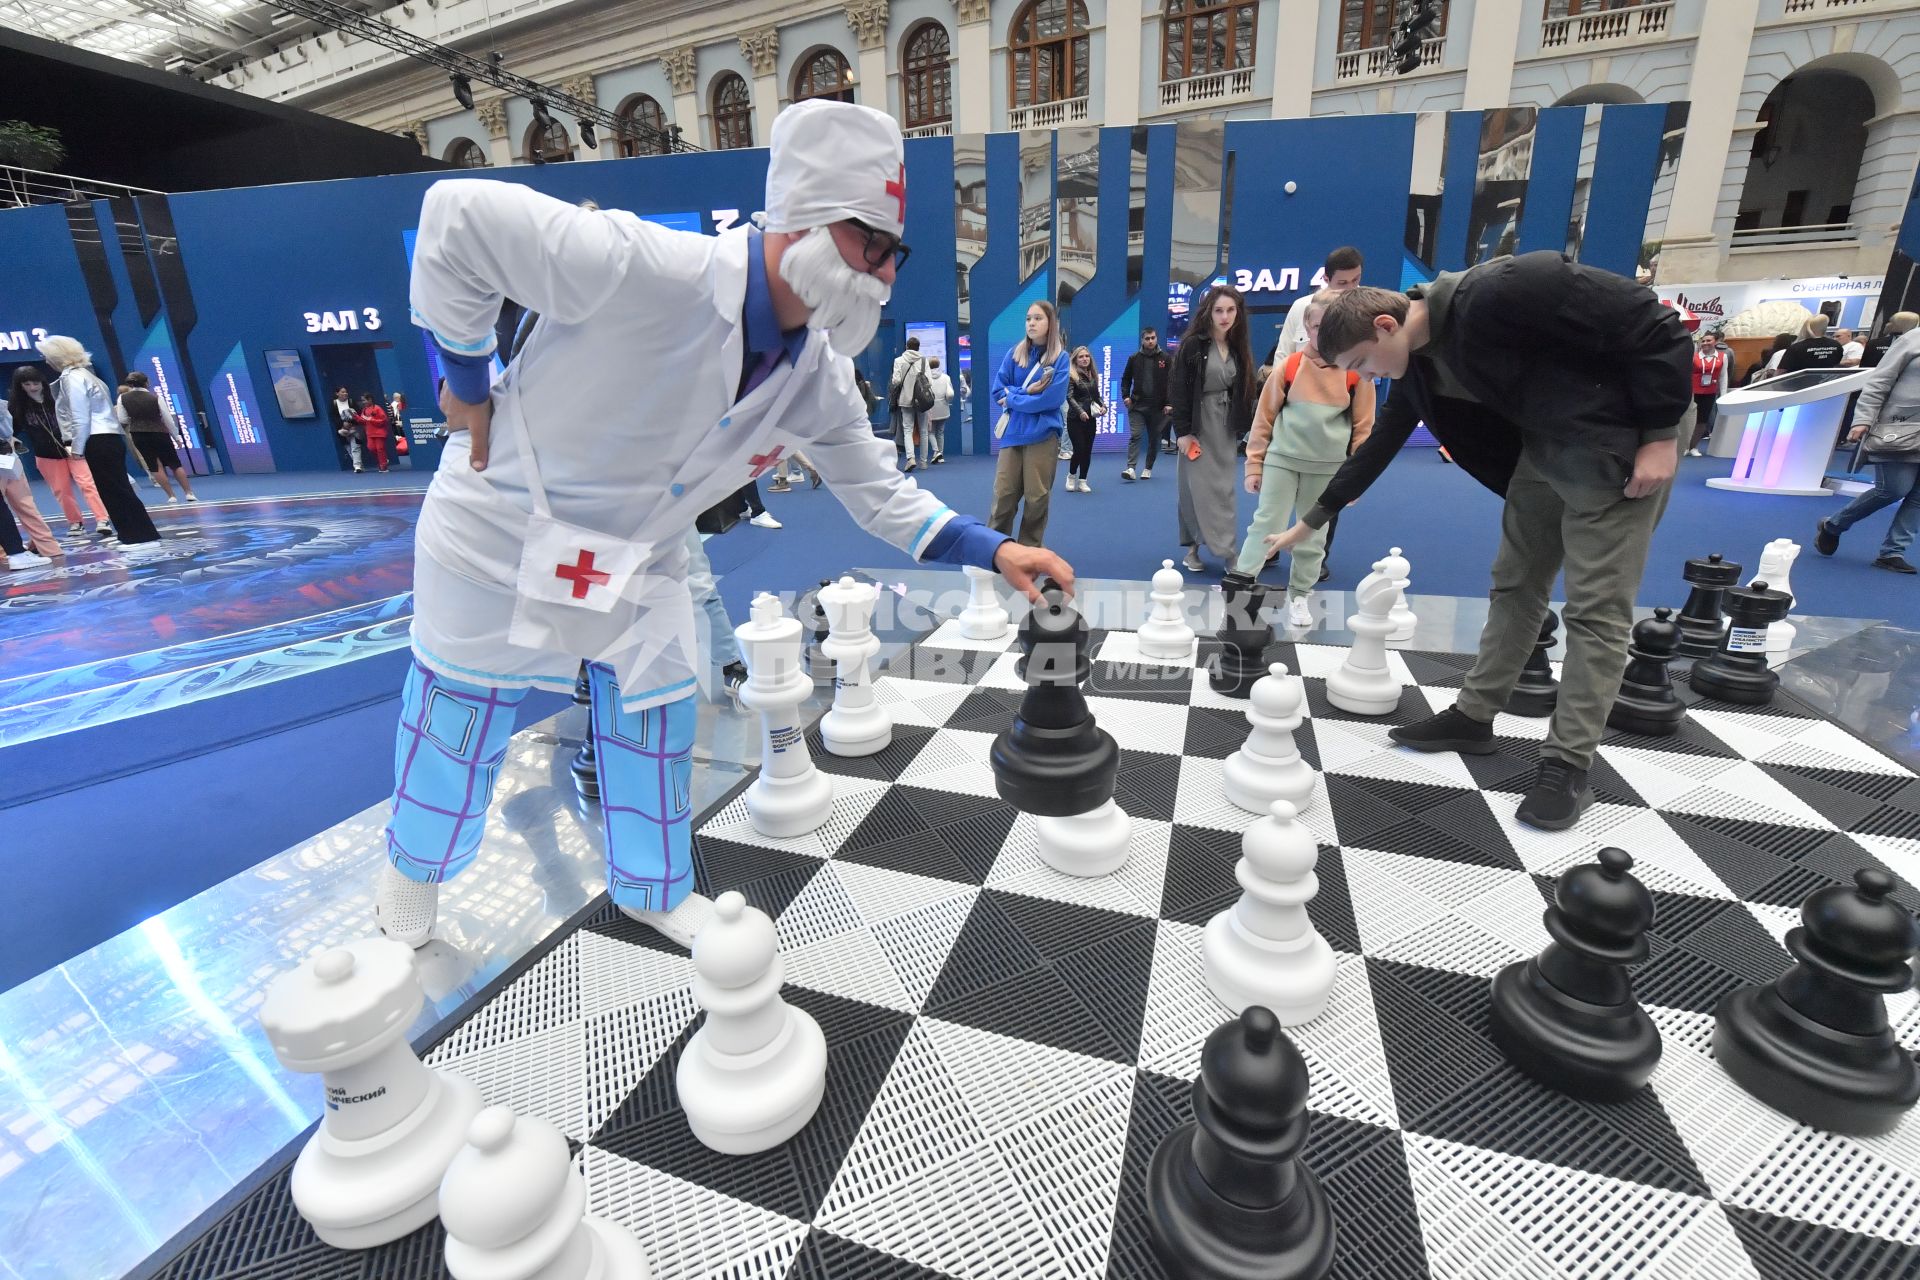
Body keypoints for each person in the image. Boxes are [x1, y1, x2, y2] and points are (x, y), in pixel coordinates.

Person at [381, 99, 1069, 950]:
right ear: (805, 223)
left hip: (638, 559)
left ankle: (652, 886)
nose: (886, 275)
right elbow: (456, 218)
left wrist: (994, 548)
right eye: (873, 245)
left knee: (658, 709)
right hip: (500, 529)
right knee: (458, 721)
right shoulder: (645, 266)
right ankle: (411, 879)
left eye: (896, 254)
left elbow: (879, 493)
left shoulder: (817, 376)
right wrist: (466, 379)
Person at [1265, 255, 1689, 831]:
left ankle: (1567, 764)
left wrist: (1660, 437)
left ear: (1386, 326)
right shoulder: (1413, 364)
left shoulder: (1505, 288)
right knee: (1514, 585)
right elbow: (1381, 444)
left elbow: (1653, 321)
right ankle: (1473, 716)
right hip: (1544, 448)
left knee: (1595, 610)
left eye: (1362, 363)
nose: (1365, 378)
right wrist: (1310, 522)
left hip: (1620, 445)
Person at [1229, 290, 1372, 628]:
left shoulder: (1354, 374)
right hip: (1282, 461)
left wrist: (1355, 481)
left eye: (1332, 325)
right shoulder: (1289, 367)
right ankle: (1240, 590)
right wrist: (1254, 464)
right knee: (1265, 525)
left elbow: (1364, 430)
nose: (1324, 333)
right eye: (1318, 325)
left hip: (1327, 469)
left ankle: (1300, 597)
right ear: (1307, 327)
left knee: (1313, 535)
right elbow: (1263, 418)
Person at [1815, 324, 1920, 574]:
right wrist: (1862, 419)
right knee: (1893, 489)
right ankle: (1834, 525)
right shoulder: (1912, 340)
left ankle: (1893, 552)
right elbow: (1880, 381)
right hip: (1901, 427)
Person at [38, 336, 161, 544]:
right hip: (107, 438)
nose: (45, 360)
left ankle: (135, 537)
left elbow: (80, 416)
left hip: (97, 439)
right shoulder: (86, 375)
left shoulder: (73, 378)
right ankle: (138, 534)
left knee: (113, 491)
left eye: (46, 355)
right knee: (117, 488)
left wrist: (75, 447)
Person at [1170, 282, 1255, 573]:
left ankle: (1227, 549)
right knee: (1193, 489)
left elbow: (1245, 389)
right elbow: (1179, 388)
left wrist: (1243, 425)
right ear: (1208, 312)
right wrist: (1182, 432)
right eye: (1219, 310)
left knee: (1222, 490)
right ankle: (1194, 548)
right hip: (1197, 425)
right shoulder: (1193, 344)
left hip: (1226, 427)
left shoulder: (1237, 345)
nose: (1225, 316)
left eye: (1231, 310)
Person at [987, 300, 1071, 546]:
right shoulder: (1014, 354)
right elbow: (997, 392)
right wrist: (1025, 394)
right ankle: (993, 549)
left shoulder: (1060, 359)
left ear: (1050, 323)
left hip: (1043, 436)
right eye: (1028, 319)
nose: (1031, 323)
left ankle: (1028, 550)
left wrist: (1013, 398)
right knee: (1003, 497)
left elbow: (1050, 400)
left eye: (1038, 318)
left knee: (1037, 499)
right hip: (1013, 435)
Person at [8, 365, 109, 535]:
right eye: (27, 384)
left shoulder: (58, 397)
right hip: (46, 454)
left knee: (87, 483)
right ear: (20, 386)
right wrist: (11, 438)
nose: (33, 387)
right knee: (62, 490)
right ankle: (75, 522)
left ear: (42, 381)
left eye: (35, 382)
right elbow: (11, 430)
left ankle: (102, 519)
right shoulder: (18, 407)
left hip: (73, 447)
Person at [117, 372, 197, 503]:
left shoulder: (122, 399)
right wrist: (176, 436)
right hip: (159, 432)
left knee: (154, 465)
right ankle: (188, 493)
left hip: (139, 434)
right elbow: (167, 419)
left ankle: (171, 496)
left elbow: (122, 419)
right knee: (174, 463)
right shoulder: (155, 397)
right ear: (146, 383)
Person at [0, 396, 59, 568]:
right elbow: (6, 430)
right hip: (6, 458)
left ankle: (15, 551)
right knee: (23, 505)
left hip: (7, 458)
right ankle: (39, 548)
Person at [1275, 246, 1365, 358]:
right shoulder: (1301, 307)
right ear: (1326, 279)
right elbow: (1283, 355)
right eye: (1342, 283)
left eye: (1355, 280)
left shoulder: (1368, 309)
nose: (1350, 288)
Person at [1119, 327, 1171, 481]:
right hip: (1137, 405)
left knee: (1155, 438)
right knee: (1135, 435)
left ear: (1156, 339)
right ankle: (1131, 468)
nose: (1150, 341)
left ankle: (1148, 468)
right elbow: (1126, 379)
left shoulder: (1166, 359)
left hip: (1158, 407)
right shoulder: (1134, 358)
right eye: (1147, 338)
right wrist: (1125, 396)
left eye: (1153, 338)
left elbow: (1172, 382)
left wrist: (1169, 403)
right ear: (1142, 340)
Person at [1062, 345, 1104, 493]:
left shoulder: (1093, 375)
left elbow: (1096, 396)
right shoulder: (1071, 375)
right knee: (1079, 449)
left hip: (1091, 419)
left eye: (1087, 356)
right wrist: (1080, 411)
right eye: (1081, 357)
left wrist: (1103, 406)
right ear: (1075, 359)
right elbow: (1069, 396)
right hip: (1075, 419)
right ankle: (1071, 476)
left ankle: (1083, 480)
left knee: (1087, 450)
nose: (1085, 359)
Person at [1686, 329, 1730, 457]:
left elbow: (1723, 376)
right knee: (1689, 420)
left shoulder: (1722, 357)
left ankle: (1693, 446)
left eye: (1708, 340)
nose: (1705, 343)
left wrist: (1723, 394)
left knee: (1702, 421)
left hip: (1709, 392)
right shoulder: (1694, 357)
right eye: (1703, 341)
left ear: (1715, 342)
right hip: (1693, 392)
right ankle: (1685, 445)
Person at [890, 335, 930, 470]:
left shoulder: (899, 361)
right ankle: (923, 462)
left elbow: (895, 381)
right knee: (924, 430)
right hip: (922, 401)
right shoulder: (924, 361)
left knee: (907, 429)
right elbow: (929, 381)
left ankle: (910, 458)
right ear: (918, 348)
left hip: (905, 399)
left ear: (907, 347)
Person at [1778, 313, 1844, 373]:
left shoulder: (1797, 347)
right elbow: (1836, 363)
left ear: (1806, 327)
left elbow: (1781, 371)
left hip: (1799, 384)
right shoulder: (1836, 345)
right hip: (1826, 381)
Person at [924, 356, 953, 465]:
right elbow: (949, 393)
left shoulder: (926, 378)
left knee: (930, 431)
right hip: (943, 407)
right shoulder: (946, 377)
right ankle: (940, 455)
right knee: (940, 432)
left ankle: (936, 451)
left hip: (930, 408)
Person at [353, 394, 392, 472]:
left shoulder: (377, 408)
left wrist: (371, 420)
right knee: (371, 448)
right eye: (362, 400)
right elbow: (363, 421)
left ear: (370, 399)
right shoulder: (364, 410)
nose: (363, 402)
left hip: (379, 433)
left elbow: (383, 421)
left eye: (364, 400)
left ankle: (383, 466)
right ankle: (384, 460)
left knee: (380, 449)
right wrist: (356, 417)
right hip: (370, 433)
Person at [332, 385, 363, 471]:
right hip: (342, 430)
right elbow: (334, 417)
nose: (345, 393)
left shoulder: (351, 402)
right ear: (337, 393)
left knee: (355, 447)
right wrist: (343, 424)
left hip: (354, 428)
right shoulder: (334, 404)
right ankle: (358, 464)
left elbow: (358, 414)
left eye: (346, 392)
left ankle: (357, 466)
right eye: (342, 392)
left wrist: (351, 423)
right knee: (348, 448)